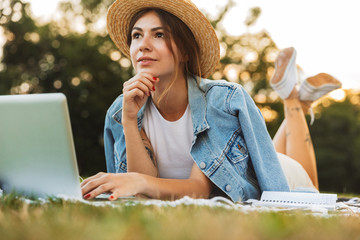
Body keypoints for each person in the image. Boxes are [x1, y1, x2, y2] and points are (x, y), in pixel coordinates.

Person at [80, 0, 341, 202]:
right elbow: (142, 191)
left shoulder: (221, 102)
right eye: (137, 35)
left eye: (158, 34)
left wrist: (140, 183)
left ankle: (293, 101)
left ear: (183, 50)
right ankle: (298, 98)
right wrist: (128, 120)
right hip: (253, 157)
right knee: (275, 148)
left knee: (311, 195)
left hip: (273, 172)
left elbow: (198, 189)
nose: (143, 45)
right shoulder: (121, 110)